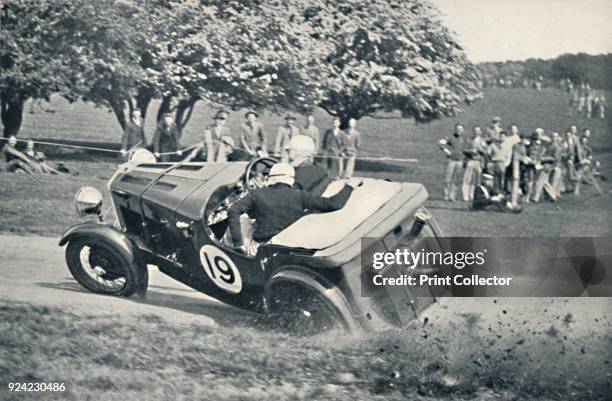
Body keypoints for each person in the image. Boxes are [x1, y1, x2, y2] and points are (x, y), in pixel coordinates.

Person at [228, 163, 361, 254]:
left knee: (243, 217)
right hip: (288, 246)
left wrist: (237, 243)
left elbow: (233, 210)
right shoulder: (300, 196)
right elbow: (334, 204)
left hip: (260, 248)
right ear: (290, 180)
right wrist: (349, 186)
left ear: (270, 178)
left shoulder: (256, 194)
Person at [438, 123, 465, 201]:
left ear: (462, 130)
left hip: (460, 161)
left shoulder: (463, 139)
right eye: (457, 128)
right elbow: (440, 143)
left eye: (460, 129)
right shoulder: (450, 137)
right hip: (451, 160)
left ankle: (452, 196)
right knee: (447, 178)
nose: (459, 130)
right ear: (455, 129)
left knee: (456, 179)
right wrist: (447, 151)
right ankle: (446, 195)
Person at [461, 126, 486, 202]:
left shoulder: (483, 141)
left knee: (476, 180)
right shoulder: (469, 140)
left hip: (478, 161)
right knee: (467, 178)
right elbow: (464, 150)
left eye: (478, 130)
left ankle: (473, 195)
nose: (476, 132)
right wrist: (471, 151)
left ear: (480, 132)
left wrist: (481, 149)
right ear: (473, 131)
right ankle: (465, 196)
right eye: (475, 130)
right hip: (470, 161)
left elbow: (486, 152)